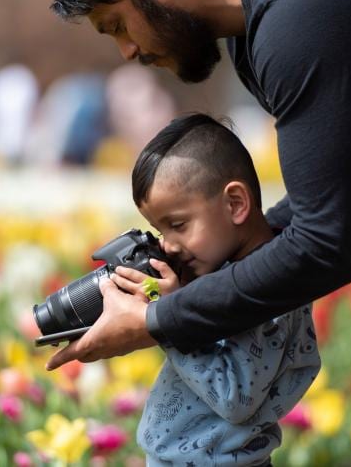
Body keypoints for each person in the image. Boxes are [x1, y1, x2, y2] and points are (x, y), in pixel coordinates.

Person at [47, 0, 351, 466]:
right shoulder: (258, 29)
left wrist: (158, 320)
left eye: (116, 25)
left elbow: (328, 244)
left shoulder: (302, 12)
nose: (127, 52)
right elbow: (340, 195)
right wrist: (211, 248)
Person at [114, 113, 320, 466]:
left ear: (235, 204)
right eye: (161, 231)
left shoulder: (269, 297)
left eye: (178, 225)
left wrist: (167, 320)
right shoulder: (227, 273)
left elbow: (235, 397)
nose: (169, 246)